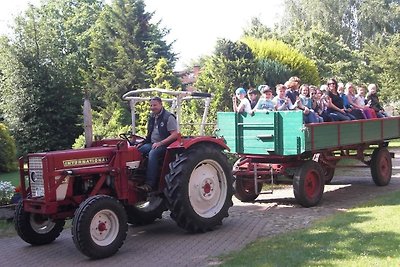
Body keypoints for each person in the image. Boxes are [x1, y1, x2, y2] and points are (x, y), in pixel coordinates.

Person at [137, 96, 179, 192]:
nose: (152, 107)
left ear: (161, 104)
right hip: (153, 143)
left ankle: (150, 184)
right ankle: (136, 178)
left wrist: (160, 143)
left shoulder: (168, 117)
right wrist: (142, 143)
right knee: (138, 150)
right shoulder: (151, 117)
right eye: (151, 105)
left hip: (166, 145)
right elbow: (149, 134)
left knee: (153, 153)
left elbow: (174, 135)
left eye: (155, 105)